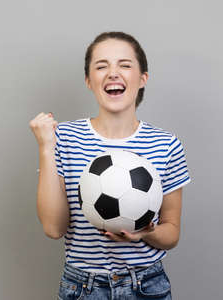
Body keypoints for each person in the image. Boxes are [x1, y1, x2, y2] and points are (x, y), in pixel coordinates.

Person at [29, 31, 191, 300]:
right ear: (89, 81)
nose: (113, 73)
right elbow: (53, 228)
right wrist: (46, 148)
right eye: (101, 66)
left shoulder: (166, 145)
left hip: (146, 286)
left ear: (142, 79)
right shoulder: (63, 138)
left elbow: (171, 233)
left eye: (125, 65)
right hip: (82, 287)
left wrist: (143, 235)